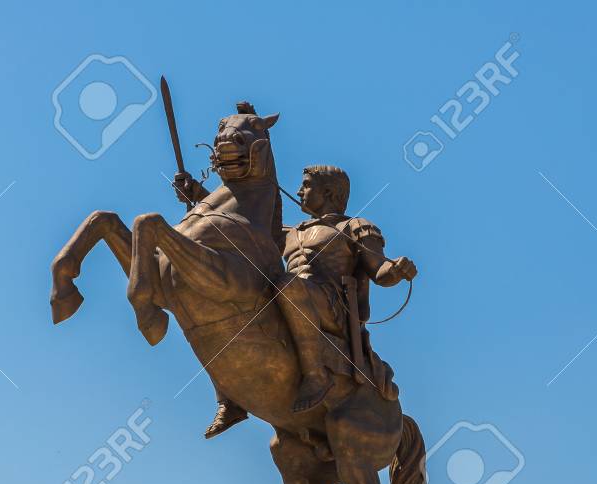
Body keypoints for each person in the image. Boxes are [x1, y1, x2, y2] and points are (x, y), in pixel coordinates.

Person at [176, 164, 417, 438]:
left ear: (327, 192)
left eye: (306, 185)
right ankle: (229, 397)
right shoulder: (292, 232)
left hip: (331, 306)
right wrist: (198, 194)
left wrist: (397, 269)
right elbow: (237, 227)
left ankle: (317, 375)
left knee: (286, 285)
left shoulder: (355, 227)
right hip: (290, 298)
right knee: (238, 298)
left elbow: (380, 271)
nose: (299, 191)